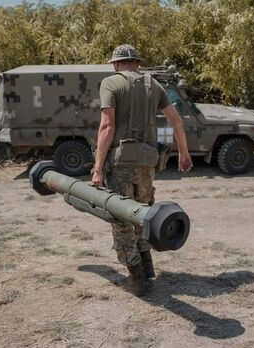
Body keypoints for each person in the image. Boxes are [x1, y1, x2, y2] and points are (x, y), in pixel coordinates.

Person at [92, 44, 193, 295]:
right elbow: (177, 121)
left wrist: (97, 167)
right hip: (148, 163)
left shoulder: (110, 84)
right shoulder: (153, 85)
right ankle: (147, 267)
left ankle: (136, 278)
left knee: (121, 218)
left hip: (121, 163)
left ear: (116, 64)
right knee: (144, 215)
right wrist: (184, 153)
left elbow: (107, 126)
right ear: (137, 62)